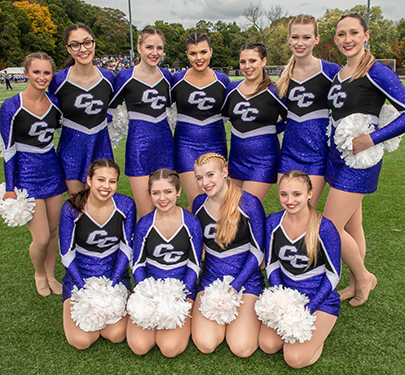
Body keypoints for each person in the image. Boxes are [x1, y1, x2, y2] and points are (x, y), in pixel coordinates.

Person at [324, 13, 405, 306]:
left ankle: (364, 276)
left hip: (359, 160)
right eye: (342, 34)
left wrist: (372, 138)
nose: (347, 39)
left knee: (330, 227)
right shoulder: (340, 72)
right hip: (337, 156)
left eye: (354, 33)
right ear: (335, 39)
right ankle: (356, 283)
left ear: (366, 35)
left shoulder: (376, 71)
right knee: (352, 224)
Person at [0, 52, 66, 297]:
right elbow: (8, 148)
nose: (42, 77)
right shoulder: (11, 106)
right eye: (36, 72)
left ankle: (51, 275)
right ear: (26, 74)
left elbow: (65, 130)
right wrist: (10, 186)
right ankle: (39, 273)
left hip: (52, 170)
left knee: (52, 232)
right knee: (40, 238)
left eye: (46, 72)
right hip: (27, 176)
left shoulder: (54, 102)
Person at [260, 170, 341, 368]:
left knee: (295, 359)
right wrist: (283, 298)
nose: (290, 200)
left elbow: (334, 273)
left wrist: (310, 308)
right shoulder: (273, 222)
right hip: (288, 293)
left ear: (310, 194)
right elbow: (271, 263)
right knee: (267, 345)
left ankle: (319, 332)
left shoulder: (324, 227)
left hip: (318, 298)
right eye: (284, 194)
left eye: (297, 194)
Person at [192, 153, 265, 357]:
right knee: (206, 343)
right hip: (211, 279)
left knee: (242, 348)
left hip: (246, 280)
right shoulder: (199, 204)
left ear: (224, 172)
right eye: (199, 178)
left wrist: (236, 285)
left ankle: (240, 319)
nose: (205, 182)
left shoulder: (248, 203)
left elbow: (258, 250)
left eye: (210, 175)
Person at [59, 158, 136, 350]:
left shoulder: (126, 205)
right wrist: (83, 288)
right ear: (89, 180)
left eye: (112, 181)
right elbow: (66, 254)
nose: (106, 186)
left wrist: (113, 282)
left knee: (117, 334)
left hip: (113, 275)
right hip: (81, 276)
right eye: (101, 180)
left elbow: (127, 247)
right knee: (81, 341)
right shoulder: (71, 208)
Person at [127, 169, 203, 357]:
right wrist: (147, 291)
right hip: (151, 289)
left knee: (169, 348)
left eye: (168, 191)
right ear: (150, 194)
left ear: (178, 192)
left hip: (180, 289)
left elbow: (194, 263)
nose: (163, 198)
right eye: (156, 193)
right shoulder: (145, 223)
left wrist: (182, 292)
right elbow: (137, 262)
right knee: (139, 346)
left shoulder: (191, 223)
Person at [109, 27, 175, 219]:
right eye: (149, 47)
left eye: (159, 48)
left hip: (165, 145)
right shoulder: (125, 76)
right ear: (138, 48)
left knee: (166, 209)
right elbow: (109, 111)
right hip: (138, 147)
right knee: (146, 212)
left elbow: (173, 109)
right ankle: (142, 249)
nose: (155, 53)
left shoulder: (167, 77)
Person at [277, 15, 340, 207]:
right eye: (295, 37)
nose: (300, 43)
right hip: (289, 151)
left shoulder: (331, 71)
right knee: (289, 208)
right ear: (288, 39)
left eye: (306, 37)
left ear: (316, 39)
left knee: (306, 210)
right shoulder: (284, 73)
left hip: (317, 153)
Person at [48, 24, 115, 197]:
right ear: (68, 49)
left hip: (101, 145)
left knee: (102, 204)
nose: (83, 49)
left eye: (87, 43)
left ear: (94, 43)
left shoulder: (108, 78)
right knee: (78, 207)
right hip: (72, 149)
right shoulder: (58, 81)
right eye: (75, 44)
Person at [222, 43, 287, 203]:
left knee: (247, 208)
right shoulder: (232, 89)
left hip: (263, 160)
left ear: (263, 61)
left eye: (252, 61)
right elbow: (222, 119)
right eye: (243, 62)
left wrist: (271, 131)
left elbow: (291, 121)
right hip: (236, 158)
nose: (247, 66)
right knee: (232, 209)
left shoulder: (275, 91)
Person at [171, 32, 230, 207]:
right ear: (187, 55)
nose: (199, 58)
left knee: (217, 202)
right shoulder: (176, 80)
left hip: (216, 143)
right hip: (185, 145)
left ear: (211, 52)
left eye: (203, 52)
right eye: (193, 53)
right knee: (197, 202)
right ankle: (193, 235)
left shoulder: (223, 81)